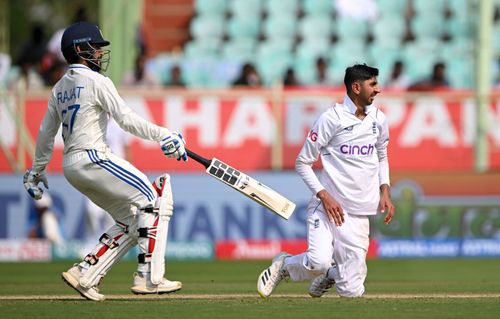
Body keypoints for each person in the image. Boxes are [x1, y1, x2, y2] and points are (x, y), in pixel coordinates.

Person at [22, 21, 188, 301]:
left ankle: (85, 272)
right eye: (95, 47)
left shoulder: (59, 87)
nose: (99, 53)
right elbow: (127, 120)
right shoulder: (98, 81)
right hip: (94, 156)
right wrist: (164, 135)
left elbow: (45, 133)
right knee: (156, 198)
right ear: (79, 49)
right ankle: (149, 278)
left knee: (132, 220)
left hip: (71, 167)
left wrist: (37, 169)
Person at [257, 64, 395, 298]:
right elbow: (302, 162)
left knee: (351, 292)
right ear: (356, 87)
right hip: (329, 208)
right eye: (372, 84)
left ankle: (333, 274)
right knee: (316, 262)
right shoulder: (331, 119)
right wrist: (325, 196)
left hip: (359, 213)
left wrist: (385, 189)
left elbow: (382, 156)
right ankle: (285, 265)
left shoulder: (378, 119)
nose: (378, 89)